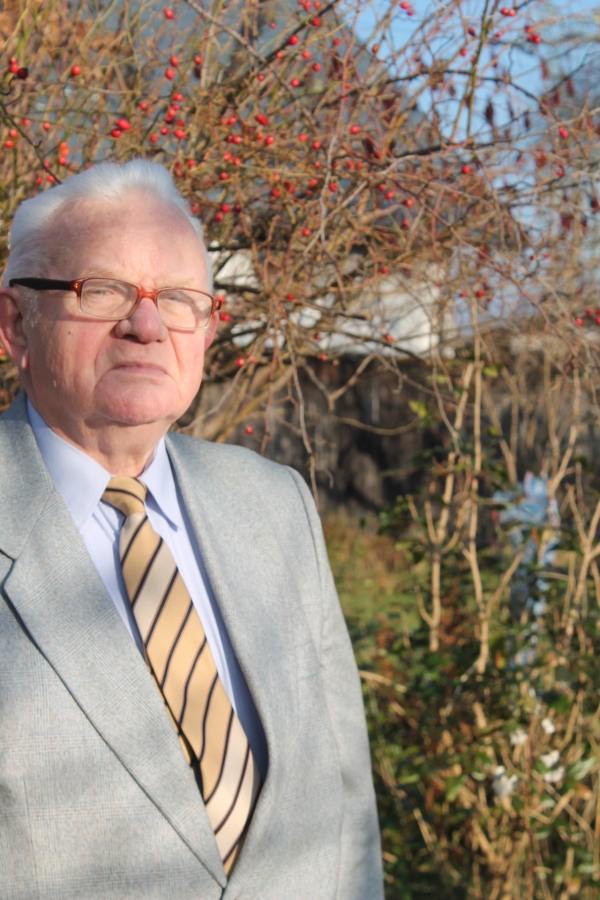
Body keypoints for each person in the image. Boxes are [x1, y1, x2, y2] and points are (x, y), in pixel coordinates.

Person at [0, 159, 383, 899]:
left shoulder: (273, 505)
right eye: (102, 290)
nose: (146, 326)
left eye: (178, 298)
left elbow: (347, 808)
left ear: (207, 329)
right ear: (17, 323)